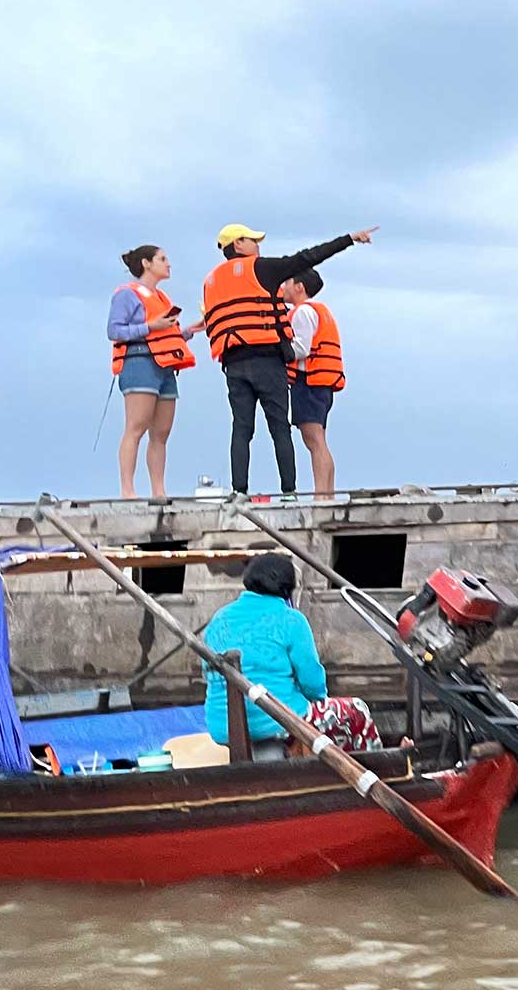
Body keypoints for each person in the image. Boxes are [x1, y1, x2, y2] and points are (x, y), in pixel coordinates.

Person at [202, 222, 377, 495]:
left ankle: (239, 492)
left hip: (233, 363)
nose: (258, 245)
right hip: (268, 361)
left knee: (241, 429)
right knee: (279, 428)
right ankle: (288, 493)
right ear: (238, 244)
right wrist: (349, 239)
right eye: (252, 240)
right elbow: (308, 257)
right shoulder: (262, 269)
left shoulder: (210, 281)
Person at [201, 554, 382, 759]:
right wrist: (317, 700)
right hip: (278, 721)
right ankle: (375, 768)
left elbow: (207, 674)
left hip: (222, 726)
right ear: (287, 588)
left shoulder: (218, 619)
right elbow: (312, 683)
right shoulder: (291, 619)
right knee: (357, 710)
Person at [107, 245, 202, 499]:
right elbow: (114, 331)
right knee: (136, 427)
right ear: (146, 263)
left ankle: (159, 491)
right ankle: (128, 490)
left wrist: (190, 330)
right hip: (139, 362)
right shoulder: (127, 294)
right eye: (162, 259)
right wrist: (150, 326)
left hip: (165, 365)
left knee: (161, 433)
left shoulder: (162, 298)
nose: (168, 264)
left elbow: (166, 335)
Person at [280, 269, 345, 495]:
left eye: (287, 281)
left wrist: (278, 350)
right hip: (321, 382)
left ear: (299, 287)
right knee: (319, 440)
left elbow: (301, 348)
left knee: (314, 440)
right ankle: (327, 493)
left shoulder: (302, 312)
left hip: (308, 381)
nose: (283, 286)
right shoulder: (319, 311)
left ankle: (322, 495)